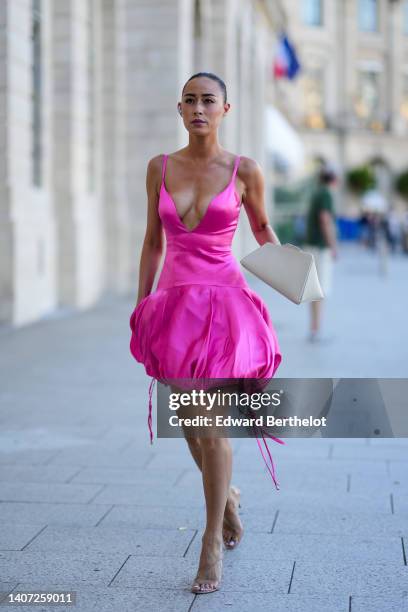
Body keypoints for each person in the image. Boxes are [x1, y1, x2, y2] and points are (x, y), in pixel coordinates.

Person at [129, 72, 282, 594]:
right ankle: (230, 500)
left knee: (210, 426)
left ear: (225, 109)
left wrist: (289, 276)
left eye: (208, 100)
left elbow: (260, 229)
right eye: (190, 100)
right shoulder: (159, 167)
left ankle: (211, 541)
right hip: (173, 306)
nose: (199, 107)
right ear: (179, 108)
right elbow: (153, 240)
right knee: (192, 428)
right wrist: (141, 302)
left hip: (223, 306)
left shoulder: (244, 169)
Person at [304, 167, 338, 342]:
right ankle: (316, 330)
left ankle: (314, 328)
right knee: (320, 290)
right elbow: (325, 219)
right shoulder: (326, 194)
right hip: (320, 248)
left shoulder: (317, 193)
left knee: (314, 289)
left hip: (312, 246)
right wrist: (333, 246)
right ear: (334, 180)